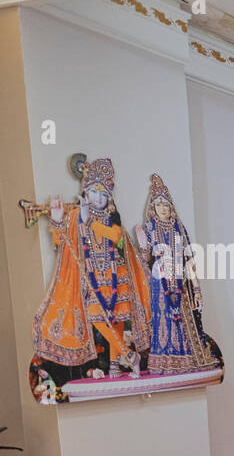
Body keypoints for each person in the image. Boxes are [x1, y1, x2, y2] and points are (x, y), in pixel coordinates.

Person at [32, 157, 151, 386]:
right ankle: (129, 355)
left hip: (117, 277)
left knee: (115, 320)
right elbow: (62, 243)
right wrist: (57, 222)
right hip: (91, 280)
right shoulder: (76, 216)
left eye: (104, 193)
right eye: (95, 192)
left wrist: (89, 222)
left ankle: (116, 363)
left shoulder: (110, 218)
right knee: (98, 318)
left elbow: (116, 237)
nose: (99, 198)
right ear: (86, 193)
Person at [133, 174, 221, 373]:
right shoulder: (150, 228)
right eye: (159, 205)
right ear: (153, 208)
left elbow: (189, 261)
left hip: (180, 279)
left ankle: (186, 358)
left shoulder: (178, 229)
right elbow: (145, 258)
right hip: (160, 279)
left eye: (166, 205)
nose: (163, 208)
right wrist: (142, 244)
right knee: (164, 317)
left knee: (183, 317)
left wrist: (197, 288)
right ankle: (165, 360)